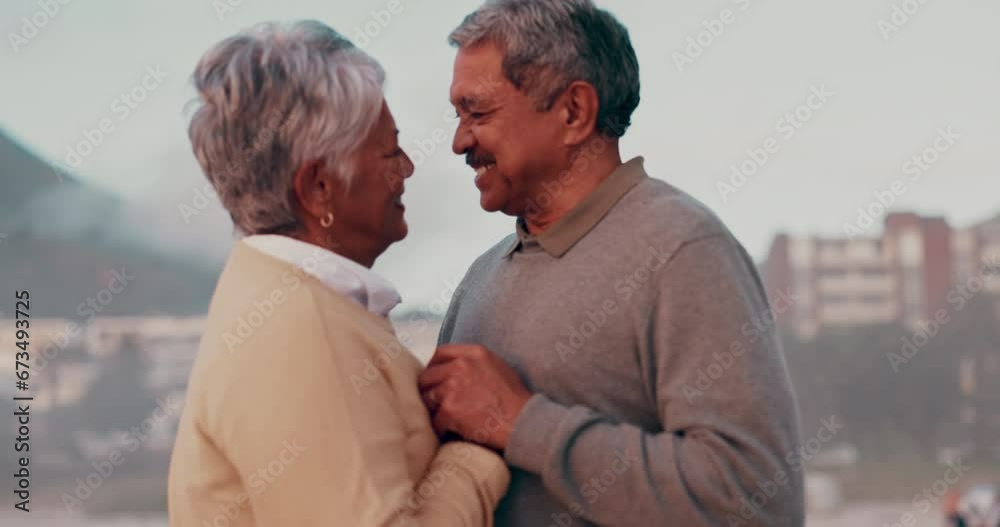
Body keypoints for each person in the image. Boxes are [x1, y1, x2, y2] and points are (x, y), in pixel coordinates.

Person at [418, 1, 805, 526]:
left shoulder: (684, 251)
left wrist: (522, 423)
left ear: (574, 112)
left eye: (478, 113)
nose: (460, 141)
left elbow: (757, 500)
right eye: (458, 116)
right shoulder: (479, 280)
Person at [167, 21, 509, 527]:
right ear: (319, 188)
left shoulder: (279, 298)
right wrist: (477, 443)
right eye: (390, 150)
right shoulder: (297, 330)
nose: (408, 168)